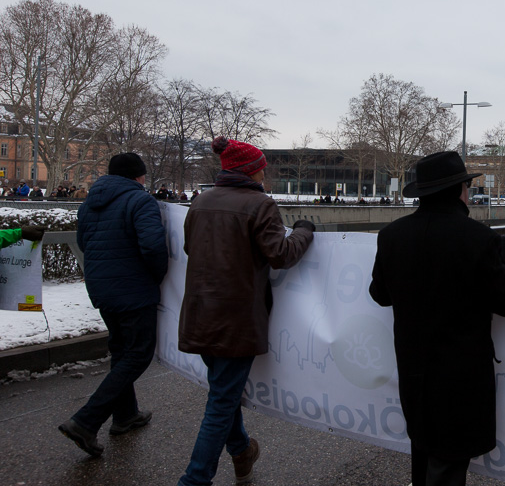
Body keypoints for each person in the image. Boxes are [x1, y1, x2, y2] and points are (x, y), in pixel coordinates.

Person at [369, 151, 505, 486]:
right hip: (461, 378)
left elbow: (380, 294)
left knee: (423, 447)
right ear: (459, 190)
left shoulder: (391, 235)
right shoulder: (479, 238)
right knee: (448, 464)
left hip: (413, 371)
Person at [177, 136, 315, 486]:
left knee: (222, 392)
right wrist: (304, 232)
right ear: (252, 171)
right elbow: (281, 255)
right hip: (235, 318)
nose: (264, 175)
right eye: (262, 169)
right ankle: (194, 479)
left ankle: (241, 451)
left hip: (199, 313)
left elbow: (191, 247)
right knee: (221, 402)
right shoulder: (259, 204)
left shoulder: (201, 201)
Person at [58, 153, 169, 457]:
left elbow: (84, 243)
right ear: (138, 176)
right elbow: (153, 246)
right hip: (133, 288)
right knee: (138, 354)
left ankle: (125, 415)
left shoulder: (89, 203)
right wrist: (156, 277)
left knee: (121, 350)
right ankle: (86, 421)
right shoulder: (140, 200)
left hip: (101, 287)